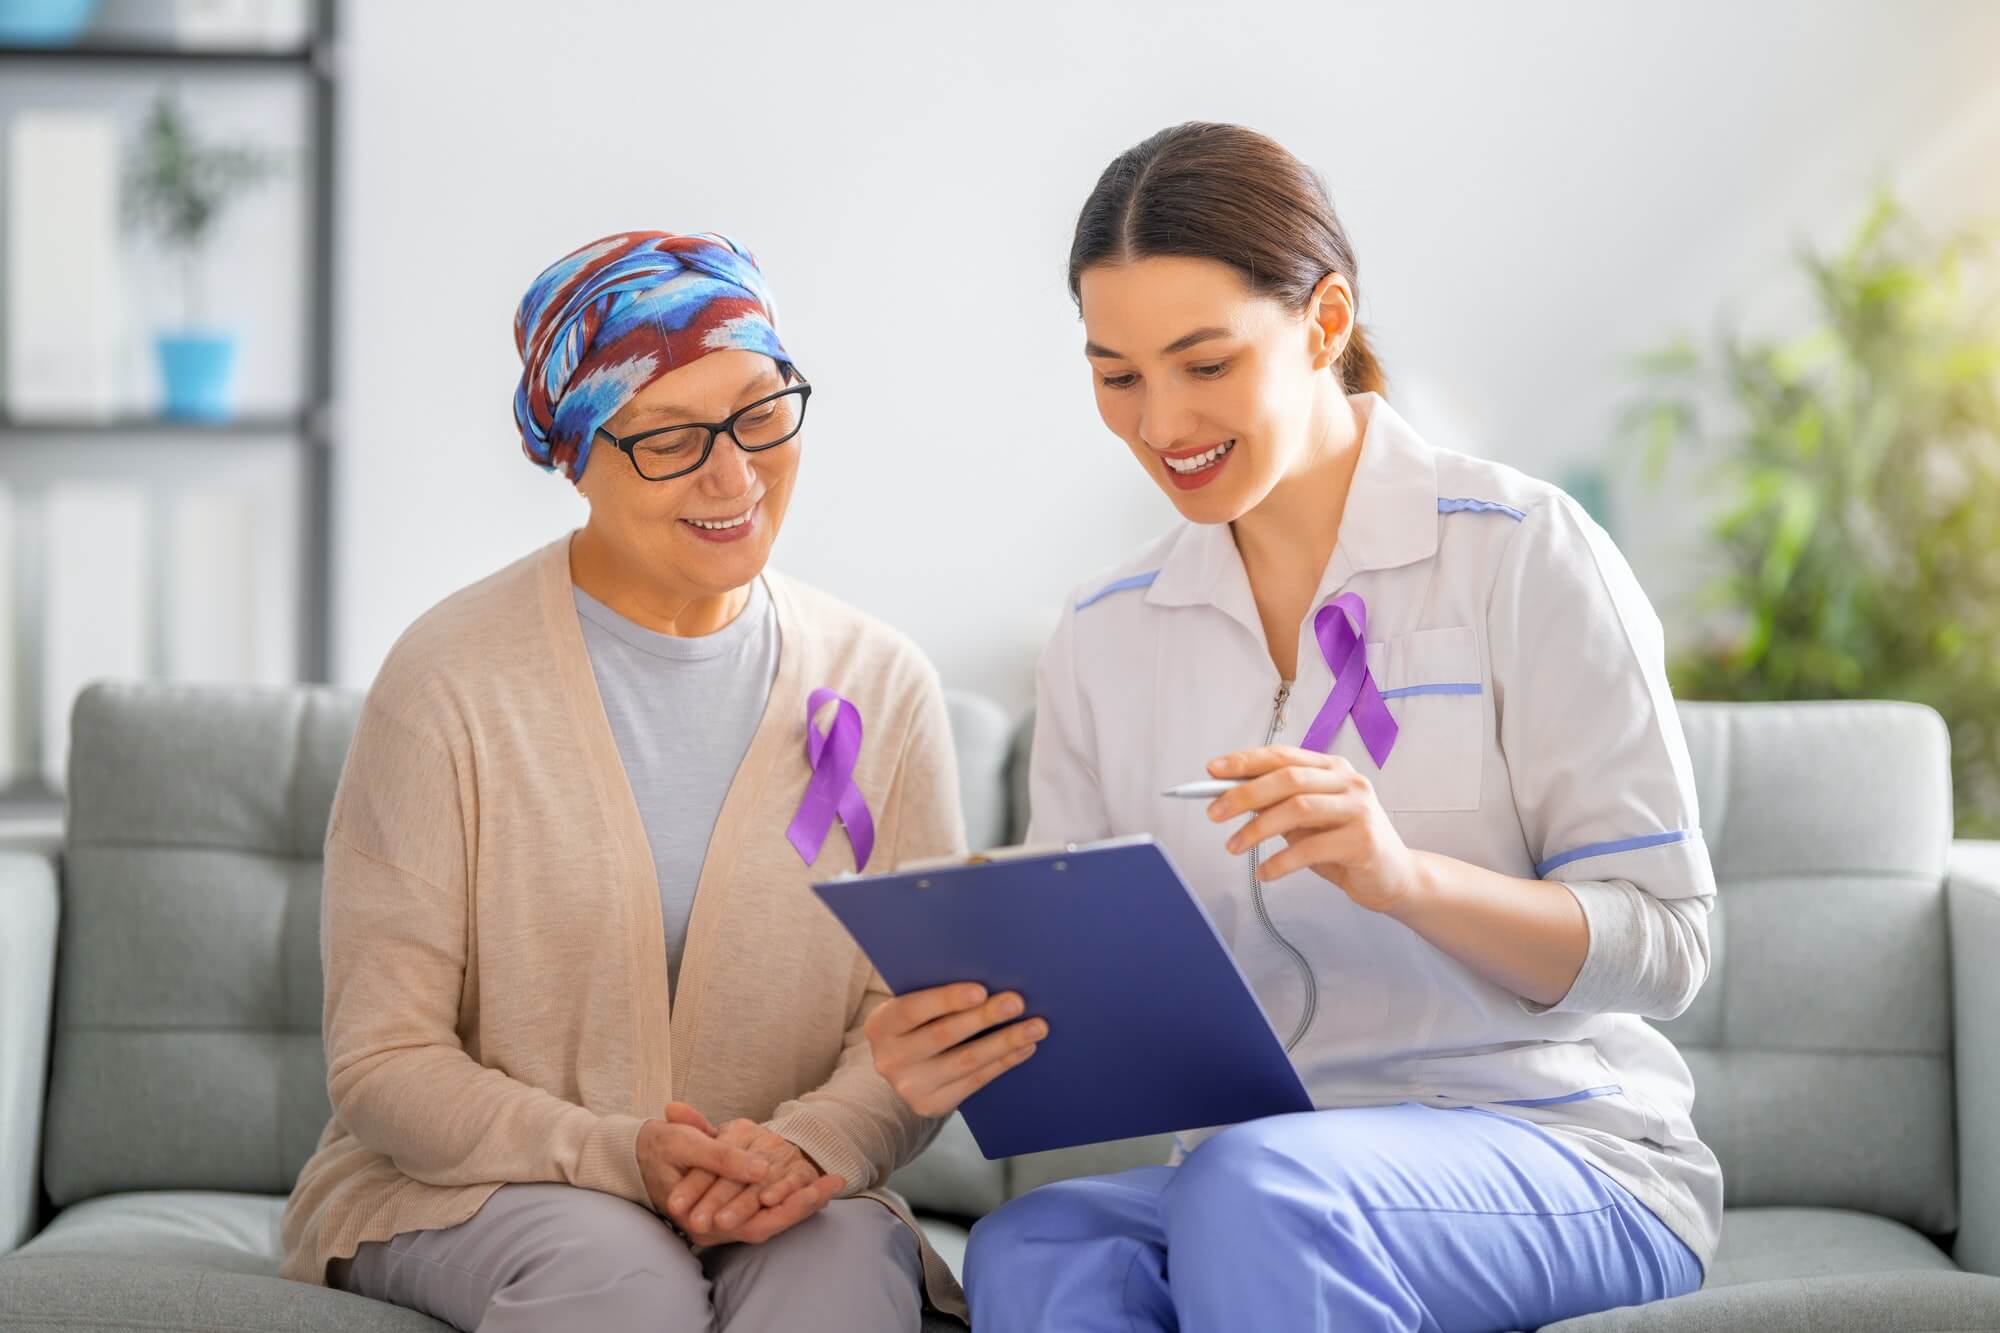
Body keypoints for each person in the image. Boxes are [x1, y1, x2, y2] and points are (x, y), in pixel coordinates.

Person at [865, 123, 1720, 1332]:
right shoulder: (1107, 632)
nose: (1161, 423)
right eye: (1116, 375)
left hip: (1558, 1150)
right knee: (1034, 1243)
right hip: (1259, 1168)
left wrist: (1404, 879)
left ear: (1323, 324)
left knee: (1254, 1191)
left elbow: (1667, 944)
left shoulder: (1519, 552)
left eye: (1203, 365)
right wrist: (967, 1036)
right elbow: (1095, 987)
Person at [281, 230, 967, 1331]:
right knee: (621, 1276)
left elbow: (910, 1020)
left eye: (758, 412)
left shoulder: (881, 687)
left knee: (837, 1274)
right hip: (485, 1190)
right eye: (669, 438)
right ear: (572, 453)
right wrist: (615, 1156)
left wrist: (808, 1145)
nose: (733, 474)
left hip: (794, 1194)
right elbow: (384, 1058)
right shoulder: (446, 681)